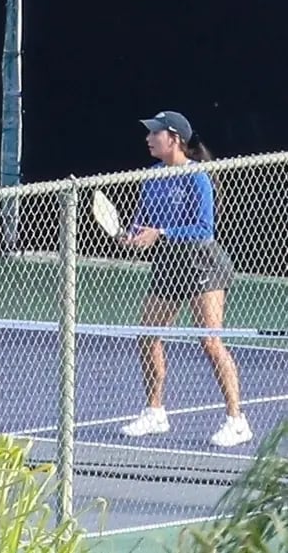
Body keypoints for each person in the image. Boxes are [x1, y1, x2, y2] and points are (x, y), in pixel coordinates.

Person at [120, 111, 252, 448]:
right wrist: (133, 235)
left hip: (202, 262)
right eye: (148, 133)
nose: (148, 139)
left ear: (175, 138)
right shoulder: (150, 176)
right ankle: (155, 412)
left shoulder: (197, 177)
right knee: (147, 334)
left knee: (209, 341)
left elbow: (204, 229)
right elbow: (142, 221)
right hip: (168, 261)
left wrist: (160, 232)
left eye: (155, 133)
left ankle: (236, 421)